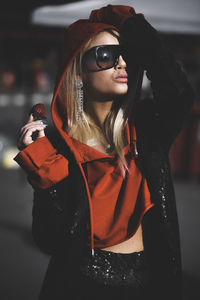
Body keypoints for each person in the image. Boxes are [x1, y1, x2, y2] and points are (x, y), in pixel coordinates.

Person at [14, 4, 195, 300]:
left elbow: (179, 91)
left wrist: (135, 29)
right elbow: (50, 239)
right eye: (106, 56)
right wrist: (45, 174)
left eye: (126, 54)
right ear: (79, 72)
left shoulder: (147, 127)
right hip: (80, 287)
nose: (122, 62)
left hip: (150, 288)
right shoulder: (59, 146)